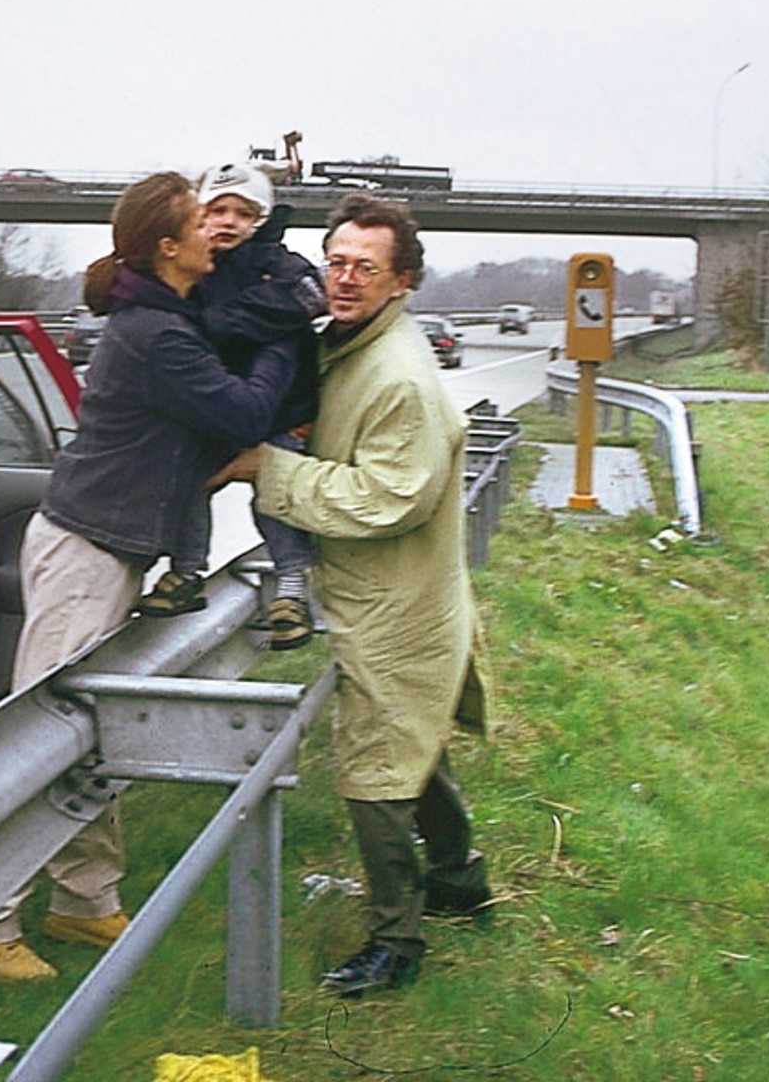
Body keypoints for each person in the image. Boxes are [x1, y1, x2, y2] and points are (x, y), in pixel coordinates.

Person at [0, 170, 300, 983]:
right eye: (198, 227)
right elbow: (245, 414)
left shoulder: (170, 316)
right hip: (84, 550)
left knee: (91, 732)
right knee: (42, 741)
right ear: (166, 246)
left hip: (110, 544)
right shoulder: (155, 335)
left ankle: (83, 902)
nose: (217, 237)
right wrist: (288, 344)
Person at [215, 193, 492, 997]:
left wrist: (266, 469)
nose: (343, 279)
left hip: (395, 601)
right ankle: (460, 880)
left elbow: (388, 497)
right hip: (394, 591)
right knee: (418, 739)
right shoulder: (346, 344)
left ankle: (396, 941)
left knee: (376, 768)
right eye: (336, 261)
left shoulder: (398, 375)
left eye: (365, 268)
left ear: (402, 282)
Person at [136, 161, 325, 652]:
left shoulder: (277, 263)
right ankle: (185, 572)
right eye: (217, 210)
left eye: (243, 213)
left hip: (281, 408)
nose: (228, 222)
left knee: (275, 500)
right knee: (189, 482)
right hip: (216, 405)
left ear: (259, 220)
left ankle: (290, 589)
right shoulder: (195, 266)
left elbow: (311, 297)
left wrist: (225, 321)